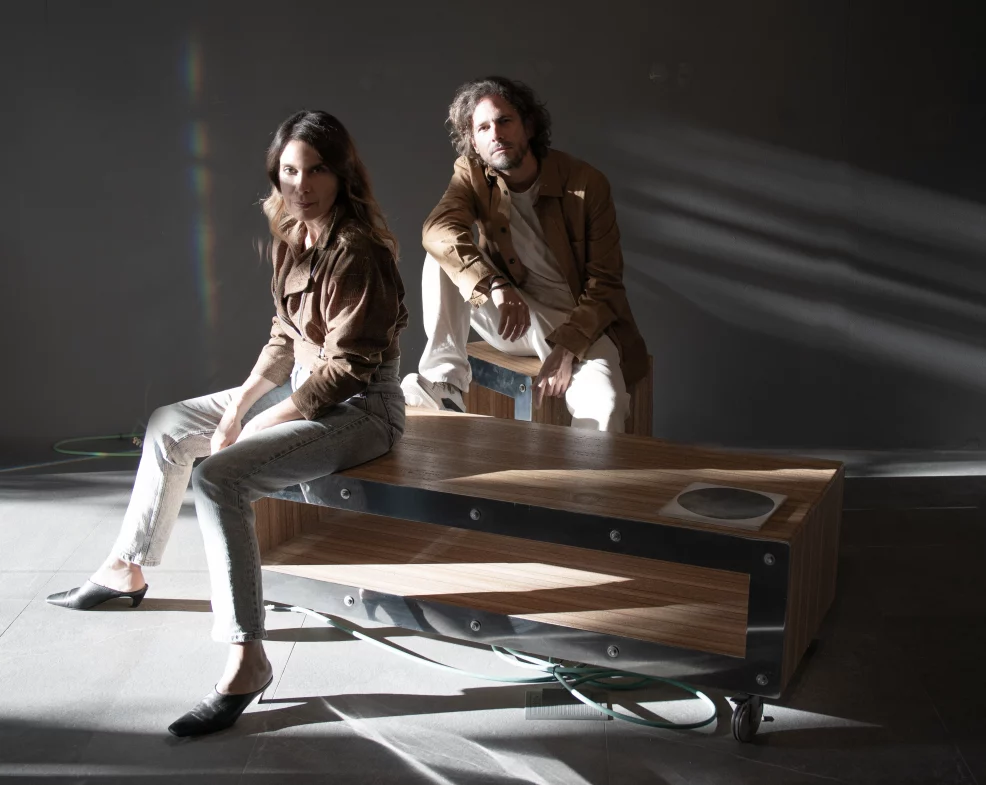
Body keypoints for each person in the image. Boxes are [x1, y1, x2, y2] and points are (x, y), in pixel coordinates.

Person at [46, 110, 408, 737]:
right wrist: (239, 407)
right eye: (290, 171)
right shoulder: (295, 233)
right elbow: (284, 337)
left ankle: (247, 658)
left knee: (218, 478)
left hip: (361, 411)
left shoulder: (360, 251)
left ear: (342, 171)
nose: (302, 185)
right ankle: (126, 566)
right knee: (169, 423)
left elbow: (345, 372)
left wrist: (262, 424)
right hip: (304, 389)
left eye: (317, 169)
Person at [401, 76, 647, 432]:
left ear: (528, 125)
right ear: (473, 141)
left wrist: (565, 349)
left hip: (583, 328)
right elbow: (437, 230)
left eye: (504, 121)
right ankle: (444, 385)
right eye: (483, 128)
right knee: (442, 251)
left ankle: (585, 489)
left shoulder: (585, 182)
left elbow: (606, 285)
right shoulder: (471, 175)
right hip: (513, 318)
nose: (496, 135)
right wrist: (496, 286)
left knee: (606, 408)